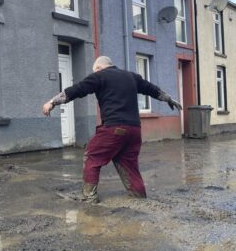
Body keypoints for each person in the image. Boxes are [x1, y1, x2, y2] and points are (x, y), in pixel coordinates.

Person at [43, 56, 182, 203]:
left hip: (114, 128)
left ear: (98, 68)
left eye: (94, 70)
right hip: (134, 131)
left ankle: (89, 198)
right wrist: (169, 99)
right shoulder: (132, 77)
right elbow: (152, 89)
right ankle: (139, 197)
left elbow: (77, 89)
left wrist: (52, 102)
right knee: (128, 164)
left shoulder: (100, 76)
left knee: (92, 156)